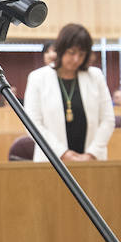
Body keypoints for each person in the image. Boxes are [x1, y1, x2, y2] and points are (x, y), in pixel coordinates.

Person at [23, 22, 114, 162]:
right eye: (71, 53)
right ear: (60, 49)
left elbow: (108, 120)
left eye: (82, 54)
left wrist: (91, 154)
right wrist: (64, 154)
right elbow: (33, 124)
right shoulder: (38, 78)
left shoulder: (96, 76)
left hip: (91, 160)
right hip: (52, 160)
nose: (76, 59)